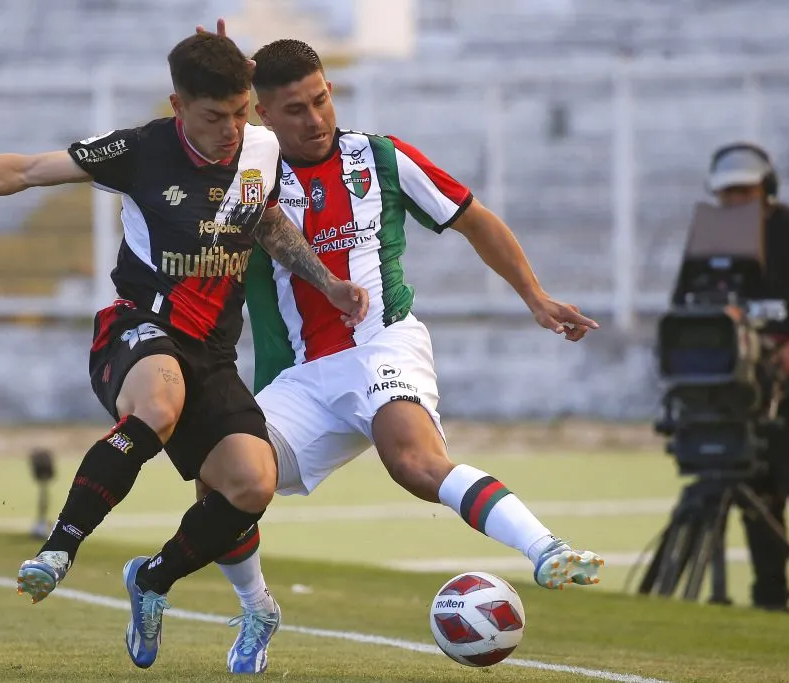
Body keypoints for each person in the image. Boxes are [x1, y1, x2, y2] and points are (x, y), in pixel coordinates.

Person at [0, 33, 368, 670]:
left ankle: (151, 581)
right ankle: (60, 547)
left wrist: (326, 281)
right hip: (141, 327)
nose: (231, 130)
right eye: (215, 117)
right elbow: (27, 171)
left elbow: (265, 221)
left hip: (214, 353)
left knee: (252, 482)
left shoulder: (261, 148)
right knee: (159, 404)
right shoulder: (140, 150)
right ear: (177, 106)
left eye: (241, 113)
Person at [190, 26, 605, 675]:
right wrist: (218, 81)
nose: (316, 118)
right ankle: (257, 608)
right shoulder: (249, 174)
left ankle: (546, 548)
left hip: (382, 344)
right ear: (262, 112)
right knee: (217, 476)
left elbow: (474, 218)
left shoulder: (380, 157)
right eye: (295, 109)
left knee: (412, 461)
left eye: (322, 99)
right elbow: (191, 155)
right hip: (298, 375)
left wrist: (535, 296)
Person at [706, 142, 789, 614]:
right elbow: (691, 304)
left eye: (744, 191)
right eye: (727, 193)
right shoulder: (713, 236)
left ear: (766, 188)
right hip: (737, 389)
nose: (735, 201)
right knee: (756, 490)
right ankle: (770, 598)